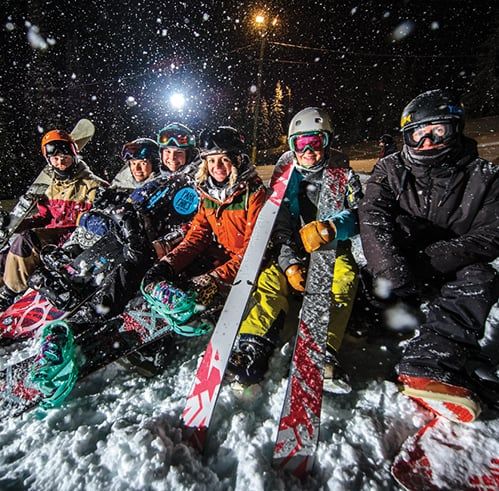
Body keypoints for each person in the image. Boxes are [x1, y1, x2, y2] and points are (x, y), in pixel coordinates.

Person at [359, 89, 499, 423]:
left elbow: (493, 233)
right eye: (418, 134)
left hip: (449, 268)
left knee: (481, 278)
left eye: (439, 131)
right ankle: (375, 318)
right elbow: (373, 216)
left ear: (456, 128)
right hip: (398, 269)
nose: (428, 142)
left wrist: (436, 259)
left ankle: (430, 362)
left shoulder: (483, 177)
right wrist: (391, 268)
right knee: (381, 260)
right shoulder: (391, 170)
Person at [226, 107, 363, 389]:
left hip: (332, 247)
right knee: (270, 279)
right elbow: (280, 223)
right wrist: (288, 262)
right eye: (300, 144)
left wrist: (334, 227)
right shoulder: (287, 177)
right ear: (292, 146)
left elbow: (363, 214)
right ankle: (252, 346)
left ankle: (321, 350)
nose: (309, 151)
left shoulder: (344, 175)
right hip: (297, 248)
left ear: (327, 142)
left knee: (345, 278)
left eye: (316, 142)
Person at [142, 126, 267, 330]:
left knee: (194, 294)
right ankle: (146, 318)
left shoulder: (253, 195)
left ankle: (175, 330)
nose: (216, 166)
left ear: (237, 159)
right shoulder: (208, 192)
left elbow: (252, 252)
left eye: (223, 159)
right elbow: (197, 237)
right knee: (173, 277)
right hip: (217, 257)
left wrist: (214, 278)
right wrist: (169, 263)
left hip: (240, 269)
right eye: (210, 160)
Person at [0, 129, 107, 311]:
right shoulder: (53, 187)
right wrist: (16, 224)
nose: (60, 162)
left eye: (64, 156)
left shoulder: (92, 185)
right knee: (4, 256)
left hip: (72, 238)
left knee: (26, 242)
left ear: (74, 155)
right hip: (50, 235)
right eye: (55, 159)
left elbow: (96, 226)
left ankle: (10, 293)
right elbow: (44, 217)